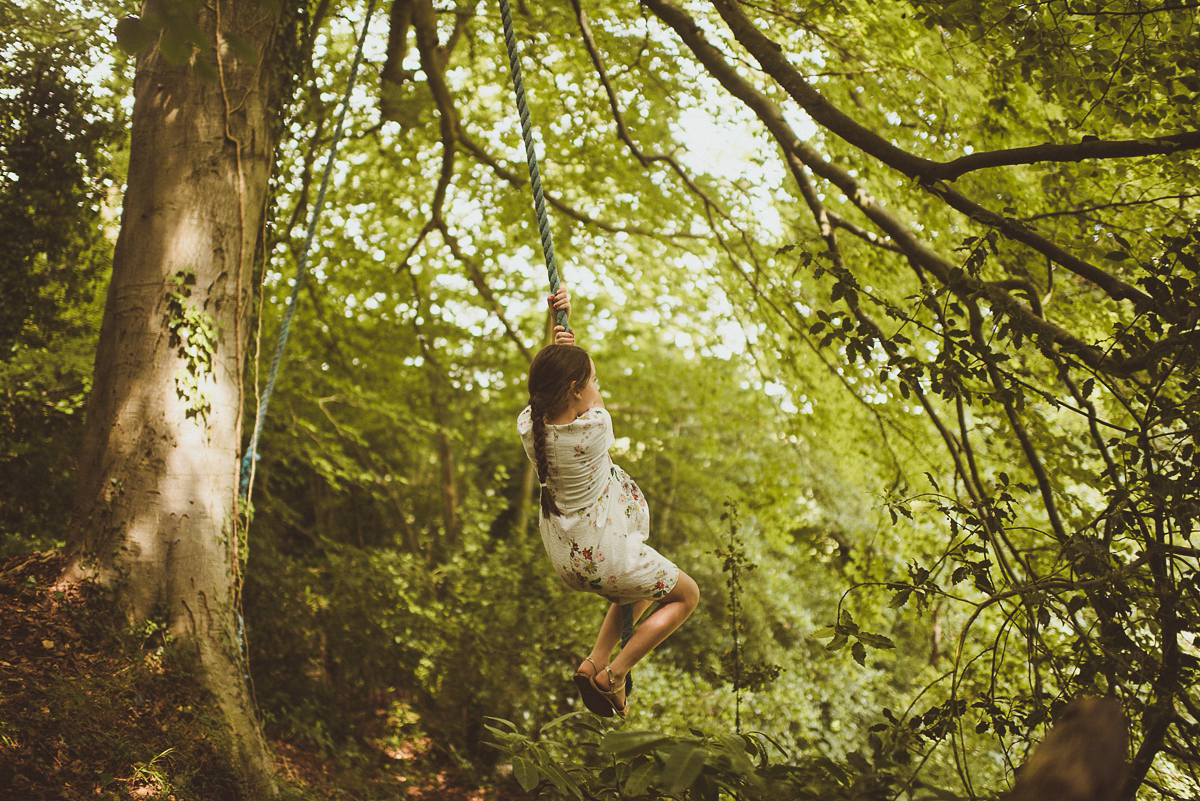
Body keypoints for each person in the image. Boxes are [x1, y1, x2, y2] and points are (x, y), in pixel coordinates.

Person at [516, 288, 700, 719]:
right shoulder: (595, 428)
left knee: (637, 587)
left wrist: (562, 340)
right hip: (605, 554)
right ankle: (614, 675)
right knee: (686, 596)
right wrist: (571, 346)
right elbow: (587, 397)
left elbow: (551, 389)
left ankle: (594, 661)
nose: (597, 388)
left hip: (571, 558)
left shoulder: (530, 429)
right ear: (579, 391)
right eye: (593, 381)